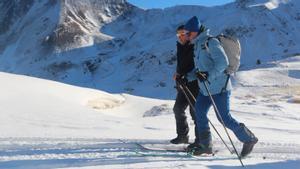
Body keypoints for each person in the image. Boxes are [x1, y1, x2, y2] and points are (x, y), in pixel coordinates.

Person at [184, 16, 258, 157]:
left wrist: (208, 75)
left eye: (189, 33)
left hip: (220, 89)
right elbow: (200, 69)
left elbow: (222, 63)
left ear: (196, 31)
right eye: (186, 33)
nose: (187, 36)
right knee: (199, 114)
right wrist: (187, 77)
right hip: (205, 90)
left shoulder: (211, 43)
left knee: (224, 119)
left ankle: (249, 139)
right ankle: (206, 146)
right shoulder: (197, 46)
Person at [170, 25, 200, 144]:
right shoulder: (180, 47)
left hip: (194, 85)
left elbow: (197, 66)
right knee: (178, 108)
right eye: (178, 34)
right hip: (182, 84)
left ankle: (201, 139)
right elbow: (183, 65)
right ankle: (182, 136)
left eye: (183, 34)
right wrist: (178, 74)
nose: (180, 36)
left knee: (196, 112)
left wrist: (185, 76)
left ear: (188, 34)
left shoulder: (195, 47)